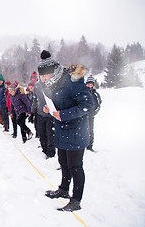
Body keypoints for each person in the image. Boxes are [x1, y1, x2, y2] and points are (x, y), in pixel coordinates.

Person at [38, 50, 94, 212]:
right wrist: (51, 109)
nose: (42, 79)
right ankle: (63, 189)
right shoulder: (54, 83)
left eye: (44, 76)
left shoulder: (73, 82)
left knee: (75, 166)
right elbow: (62, 102)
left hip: (76, 132)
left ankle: (76, 200)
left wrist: (63, 114)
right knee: (63, 162)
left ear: (53, 72)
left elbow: (87, 105)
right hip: (62, 131)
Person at [31, 78, 55, 159]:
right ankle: (44, 150)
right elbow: (35, 99)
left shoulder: (52, 83)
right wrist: (32, 111)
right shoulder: (37, 85)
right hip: (40, 113)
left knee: (50, 134)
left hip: (50, 115)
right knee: (41, 133)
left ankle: (51, 153)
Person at [85, 75, 102, 152]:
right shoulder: (83, 92)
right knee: (82, 131)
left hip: (91, 116)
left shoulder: (95, 94)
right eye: (88, 84)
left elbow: (98, 104)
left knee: (90, 131)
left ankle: (89, 146)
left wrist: (94, 112)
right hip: (82, 116)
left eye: (91, 84)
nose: (90, 85)